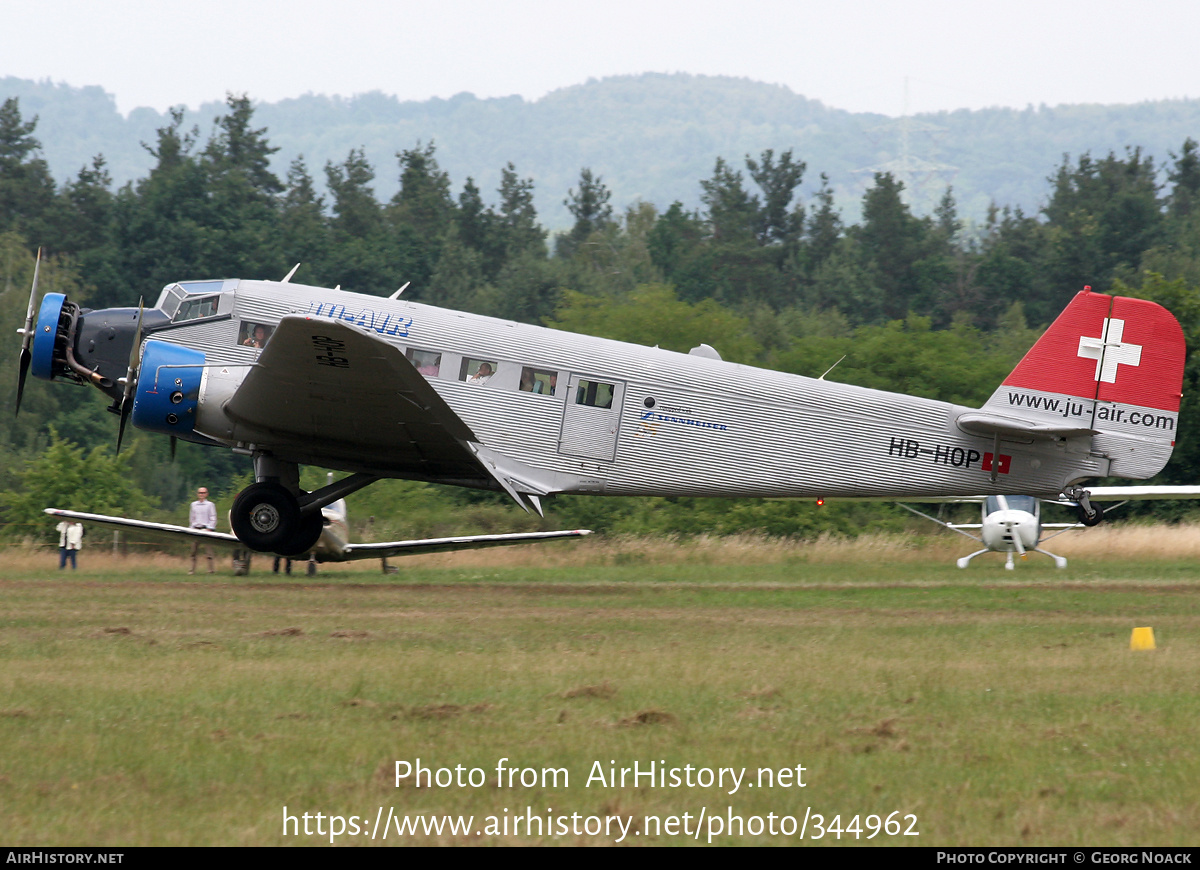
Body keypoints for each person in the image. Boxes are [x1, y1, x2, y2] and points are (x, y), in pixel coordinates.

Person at [189, 487, 218, 575]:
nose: (202, 494)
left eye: (203, 493)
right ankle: (191, 570)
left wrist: (209, 528)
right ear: (197, 494)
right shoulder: (193, 505)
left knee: (209, 552)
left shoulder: (210, 505)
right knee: (193, 552)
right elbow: (192, 518)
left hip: (206, 529)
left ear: (206, 494)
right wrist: (191, 529)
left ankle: (210, 570)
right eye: (200, 493)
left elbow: (213, 517)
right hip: (196, 529)